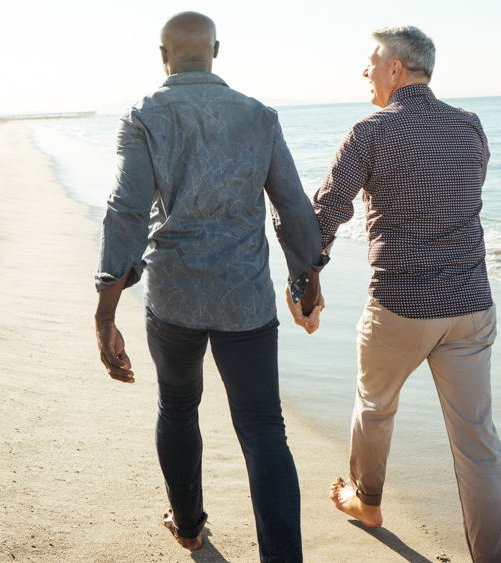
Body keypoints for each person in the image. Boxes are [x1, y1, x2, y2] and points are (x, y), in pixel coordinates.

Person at [93, 11, 325, 562]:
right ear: (216, 51)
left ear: (163, 55)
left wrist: (105, 312)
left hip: (174, 295)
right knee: (264, 426)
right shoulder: (258, 115)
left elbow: (125, 209)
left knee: (177, 406)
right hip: (244, 295)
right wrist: (305, 275)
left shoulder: (146, 115)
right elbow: (290, 202)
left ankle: (190, 527)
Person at [314, 25, 501, 563]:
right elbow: (465, 194)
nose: (367, 71)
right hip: (471, 305)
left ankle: (367, 501)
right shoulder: (469, 127)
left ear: (396, 69)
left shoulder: (372, 130)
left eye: (372, 61)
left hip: (402, 307)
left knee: (375, 406)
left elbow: (328, 212)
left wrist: (304, 280)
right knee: (478, 444)